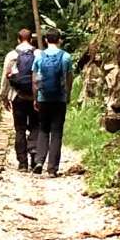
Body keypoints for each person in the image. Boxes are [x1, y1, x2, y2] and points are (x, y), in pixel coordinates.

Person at [32, 29, 73, 176]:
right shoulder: (66, 57)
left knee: (43, 130)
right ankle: (52, 169)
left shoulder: (39, 57)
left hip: (44, 98)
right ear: (59, 40)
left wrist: (36, 98)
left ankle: (39, 161)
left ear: (45, 40)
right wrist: (67, 95)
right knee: (56, 132)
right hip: (59, 99)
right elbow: (69, 79)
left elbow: (35, 80)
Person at [0, 29, 38, 172]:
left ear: (18, 39)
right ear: (31, 39)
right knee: (35, 126)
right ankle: (34, 157)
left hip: (17, 97)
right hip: (34, 97)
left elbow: (5, 78)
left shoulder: (12, 55)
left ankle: (22, 163)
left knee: (20, 129)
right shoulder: (38, 54)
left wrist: (3, 97)